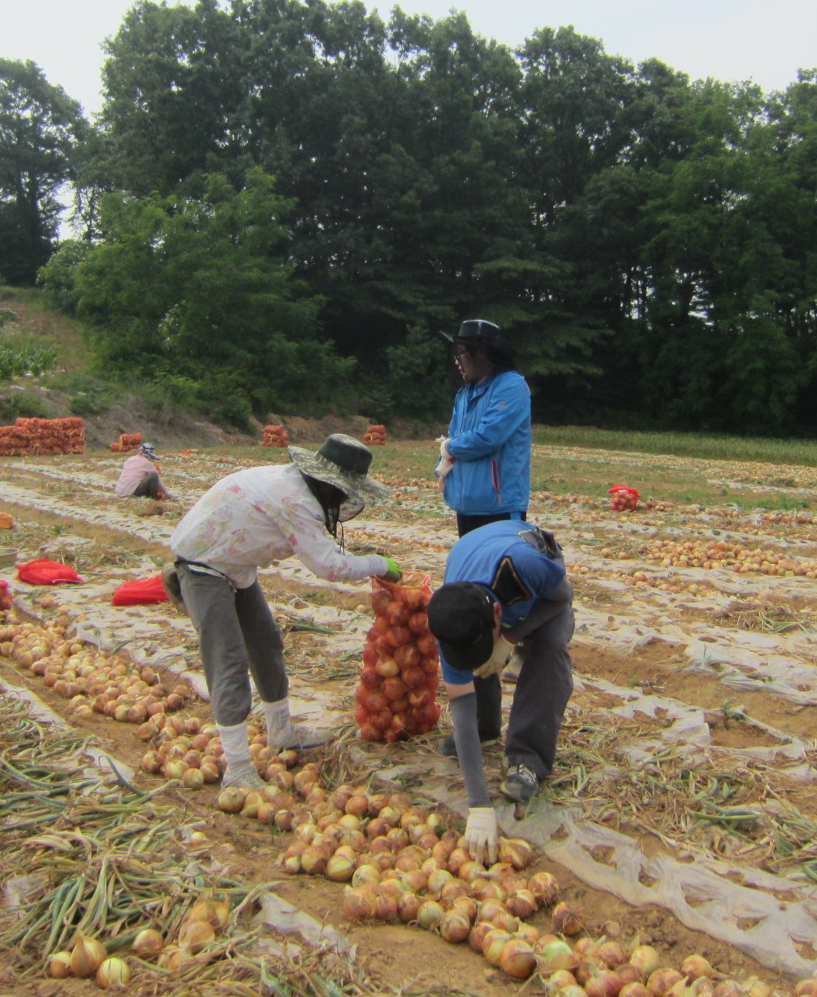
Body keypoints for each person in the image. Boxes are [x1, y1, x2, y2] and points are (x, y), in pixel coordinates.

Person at [165, 434, 403, 789]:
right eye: (343, 492)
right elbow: (330, 566)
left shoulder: (297, 487)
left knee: (266, 642)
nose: (345, 499)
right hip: (203, 563)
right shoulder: (293, 498)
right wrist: (378, 564)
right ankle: (238, 767)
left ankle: (280, 730)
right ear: (327, 484)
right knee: (228, 658)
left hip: (235, 562)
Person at [427, 519, 574, 863]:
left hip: (538, 571)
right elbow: (460, 705)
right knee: (476, 659)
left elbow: (563, 597)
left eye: (498, 626)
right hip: (475, 554)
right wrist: (478, 805)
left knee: (548, 646)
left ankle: (528, 759)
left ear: (498, 613)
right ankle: (487, 726)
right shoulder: (451, 617)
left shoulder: (527, 567)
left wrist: (510, 637)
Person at [438, 319, 533, 537]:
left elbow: (488, 437)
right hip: (466, 504)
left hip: (499, 505)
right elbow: (454, 436)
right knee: (472, 568)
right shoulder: (464, 394)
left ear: (480, 353)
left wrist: (448, 448)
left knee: (500, 568)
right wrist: (442, 470)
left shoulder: (511, 385)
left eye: (461, 353)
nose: (457, 361)